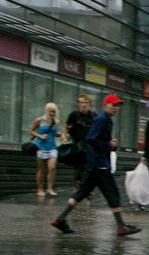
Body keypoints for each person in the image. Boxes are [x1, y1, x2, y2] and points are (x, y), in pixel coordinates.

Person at [50, 94, 140, 236]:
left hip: (93, 164)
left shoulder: (104, 119)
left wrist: (111, 146)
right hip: (99, 164)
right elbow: (91, 139)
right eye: (113, 105)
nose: (116, 108)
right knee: (113, 193)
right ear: (106, 105)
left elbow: (98, 140)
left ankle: (60, 219)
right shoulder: (102, 119)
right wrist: (108, 144)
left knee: (82, 192)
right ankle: (121, 226)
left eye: (117, 105)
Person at [31, 102, 65, 197]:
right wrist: (40, 135)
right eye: (50, 112)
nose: (52, 114)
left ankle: (50, 189)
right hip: (41, 148)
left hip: (52, 148)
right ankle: (40, 189)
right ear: (46, 111)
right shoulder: (39, 120)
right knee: (41, 170)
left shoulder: (54, 121)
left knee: (52, 168)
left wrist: (61, 135)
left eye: (54, 112)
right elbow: (32, 131)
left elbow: (54, 133)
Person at [65, 94, 95, 192]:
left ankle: (87, 188)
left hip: (90, 145)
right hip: (78, 144)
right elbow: (67, 127)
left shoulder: (93, 115)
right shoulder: (74, 115)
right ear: (78, 104)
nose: (83, 105)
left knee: (89, 167)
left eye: (86, 102)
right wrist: (65, 137)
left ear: (89, 104)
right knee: (79, 167)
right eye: (81, 102)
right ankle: (77, 187)